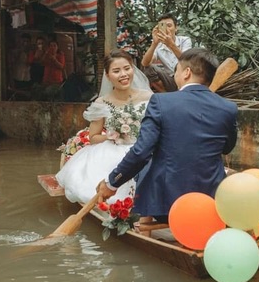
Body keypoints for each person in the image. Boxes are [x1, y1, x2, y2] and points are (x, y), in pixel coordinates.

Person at [97, 48, 238, 223]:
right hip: (211, 201)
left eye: (176, 70)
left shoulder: (161, 101)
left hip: (167, 205)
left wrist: (112, 183)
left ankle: (144, 223)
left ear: (186, 73)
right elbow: (227, 147)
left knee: (149, 162)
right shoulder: (228, 108)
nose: (173, 76)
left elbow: (141, 152)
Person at [56, 50, 152, 204]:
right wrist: (110, 136)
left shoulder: (148, 97)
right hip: (113, 150)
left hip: (142, 149)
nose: (123, 74)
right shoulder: (101, 103)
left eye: (127, 68)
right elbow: (93, 137)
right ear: (108, 76)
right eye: (116, 71)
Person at [141, 13, 192, 93]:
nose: (166, 29)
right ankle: (166, 94)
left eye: (169, 25)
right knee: (148, 69)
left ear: (176, 28)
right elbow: (145, 63)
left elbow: (187, 60)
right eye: (163, 26)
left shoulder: (185, 40)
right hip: (169, 80)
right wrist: (154, 44)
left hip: (186, 78)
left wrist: (171, 44)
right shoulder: (158, 44)